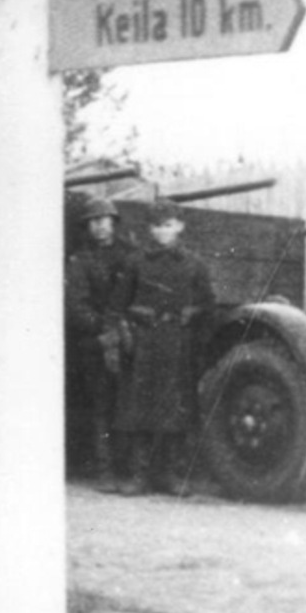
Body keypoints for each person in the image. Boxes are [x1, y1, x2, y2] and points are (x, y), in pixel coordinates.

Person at [115, 199, 215, 497]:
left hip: (177, 342)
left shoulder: (194, 264)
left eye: (168, 225)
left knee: (173, 408)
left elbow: (208, 304)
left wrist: (192, 315)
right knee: (140, 406)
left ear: (180, 227)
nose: (163, 232)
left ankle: (169, 475)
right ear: (149, 229)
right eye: (157, 226)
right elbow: (118, 303)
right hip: (144, 341)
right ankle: (139, 475)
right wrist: (126, 331)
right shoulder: (136, 262)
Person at [64, 196, 135, 492]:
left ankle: (129, 471)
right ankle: (105, 472)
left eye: (105, 220)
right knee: (101, 408)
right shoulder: (80, 261)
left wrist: (125, 328)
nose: (100, 227)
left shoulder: (131, 256)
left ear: (114, 223)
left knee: (129, 405)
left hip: (128, 338)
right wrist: (102, 329)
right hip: (95, 343)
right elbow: (77, 305)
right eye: (93, 222)